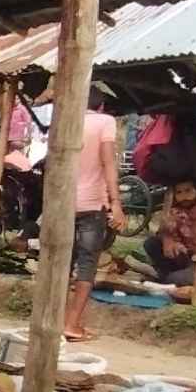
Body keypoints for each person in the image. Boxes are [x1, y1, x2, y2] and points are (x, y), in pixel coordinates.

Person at [62, 87, 126, 342]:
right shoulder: (105, 122)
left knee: (61, 263)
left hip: (62, 203)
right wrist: (116, 202)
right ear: (101, 106)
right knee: (87, 264)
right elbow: (108, 163)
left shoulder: (66, 120)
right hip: (91, 204)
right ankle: (72, 324)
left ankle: (53, 321)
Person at [143, 177, 196, 286]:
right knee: (152, 243)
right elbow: (166, 233)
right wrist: (169, 241)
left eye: (188, 191)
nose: (184, 196)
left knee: (174, 279)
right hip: (190, 261)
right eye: (179, 192)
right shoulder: (176, 213)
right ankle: (174, 278)